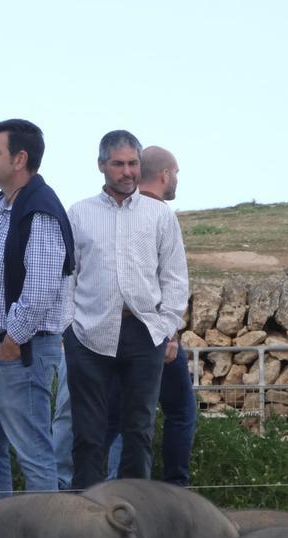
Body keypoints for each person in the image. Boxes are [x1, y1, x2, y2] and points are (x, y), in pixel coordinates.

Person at [65, 130, 188, 489]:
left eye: (133, 163)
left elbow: (175, 276)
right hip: (89, 334)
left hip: (143, 332)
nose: (127, 172)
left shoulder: (160, 216)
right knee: (88, 432)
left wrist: (165, 326)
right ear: (102, 165)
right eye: (118, 164)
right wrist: (68, 329)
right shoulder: (79, 214)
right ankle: (85, 516)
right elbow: (66, 277)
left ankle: (136, 516)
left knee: (139, 430)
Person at [0, 119, 75, 502]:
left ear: (20, 159)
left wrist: (12, 339)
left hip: (19, 352)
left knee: (33, 454)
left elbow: (41, 287)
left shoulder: (40, 211)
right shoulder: (3, 205)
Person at [103, 146, 197, 485]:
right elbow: (163, 280)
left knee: (114, 417)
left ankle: (101, 486)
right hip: (153, 334)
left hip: (113, 332)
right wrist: (168, 333)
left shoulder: (122, 214)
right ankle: (174, 488)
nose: (176, 181)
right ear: (165, 175)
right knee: (181, 412)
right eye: (177, 174)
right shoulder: (159, 215)